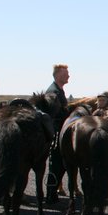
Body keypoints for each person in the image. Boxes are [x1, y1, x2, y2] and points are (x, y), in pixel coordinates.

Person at [45, 63, 70, 201]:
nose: (68, 76)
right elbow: (54, 114)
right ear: (58, 75)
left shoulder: (59, 90)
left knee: (60, 164)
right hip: (55, 132)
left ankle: (52, 192)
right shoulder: (53, 92)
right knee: (55, 164)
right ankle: (50, 194)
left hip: (59, 130)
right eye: (65, 74)